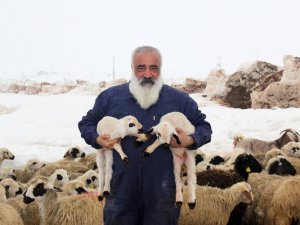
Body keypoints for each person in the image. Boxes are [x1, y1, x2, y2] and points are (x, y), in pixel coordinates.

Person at [78, 45, 212, 225]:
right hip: (121, 193)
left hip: (162, 195)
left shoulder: (179, 100)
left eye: (153, 68)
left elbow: (204, 127)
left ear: (160, 69)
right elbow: (87, 123)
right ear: (132, 69)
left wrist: (191, 140)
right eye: (141, 67)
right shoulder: (110, 98)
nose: (147, 74)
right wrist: (96, 138)